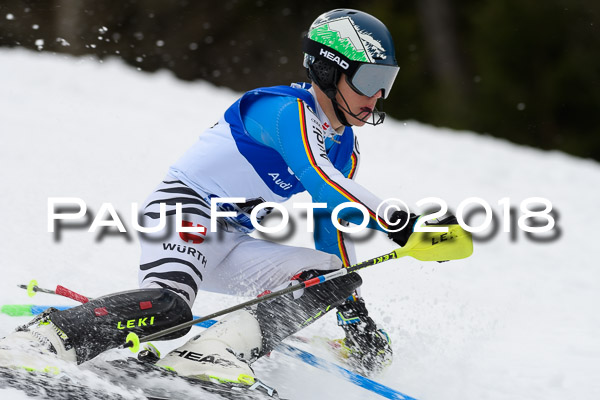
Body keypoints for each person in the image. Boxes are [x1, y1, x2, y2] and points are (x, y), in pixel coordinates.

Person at [0, 8, 429, 385]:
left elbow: (329, 221)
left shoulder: (345, 146)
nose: (377, 97)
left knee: (331, 275)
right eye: (369, 79)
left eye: (385, 82)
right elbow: (320, 180)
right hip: (183, 211)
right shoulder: (284, 109)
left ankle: (211, 353)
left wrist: (353, 313)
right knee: (170, 310)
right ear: (327, 70)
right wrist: (403, 224)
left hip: (231, 238)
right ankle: (44, 338)